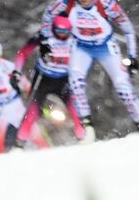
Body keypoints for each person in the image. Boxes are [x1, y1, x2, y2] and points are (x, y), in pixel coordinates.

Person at [41, 0, 139, 142]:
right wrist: (45, 42)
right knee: (76, 82)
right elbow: (48, 15)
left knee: (123, 87)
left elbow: (128, 28)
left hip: (106, 47)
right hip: (81, 47)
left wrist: (132, 56)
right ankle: (88, 129)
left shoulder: (106, 2)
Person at [13, 15, 85, 148]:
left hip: (63, 79)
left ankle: (83, 139)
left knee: (76, 109)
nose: (62, 35)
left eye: (65, 32)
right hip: (43, 78)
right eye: (59, 31)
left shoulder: (75, 38)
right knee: (32, 112)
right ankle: (19, 144)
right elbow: (22, 53)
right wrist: (17, 71)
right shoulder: (44, 36)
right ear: (53, 28)